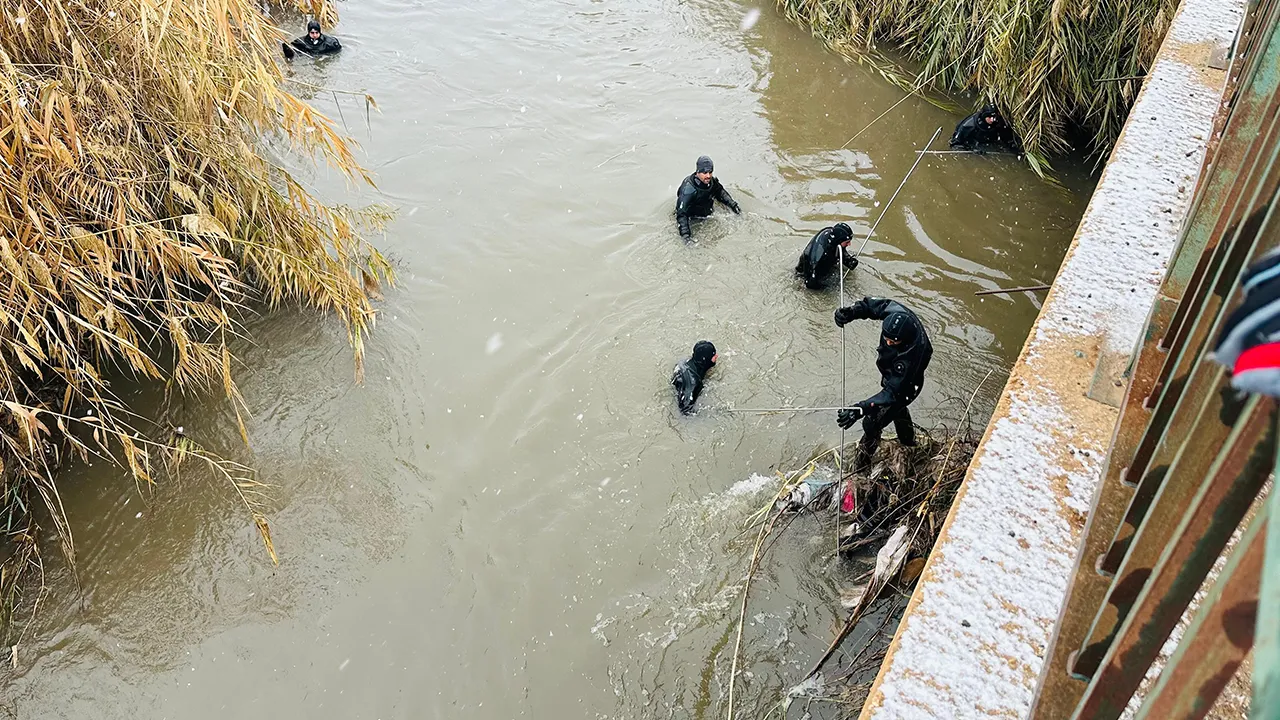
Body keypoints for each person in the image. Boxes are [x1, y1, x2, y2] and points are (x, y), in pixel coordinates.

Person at [833, 298, 932, 470]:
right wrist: (851, 312)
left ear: (905, 339)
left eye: (893, 342)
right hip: (892, 376)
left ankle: (861, 468)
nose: (888, 343)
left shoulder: (912, 355)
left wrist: (860, 409)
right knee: (898, 411)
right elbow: (873, 307)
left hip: (907, 386)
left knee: (872, 422)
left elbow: (892, 393)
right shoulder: (896, 313)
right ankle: (908, 443)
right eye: (886, 338)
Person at [675, 156, 741, 242]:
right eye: (705, 172)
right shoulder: (688, 190)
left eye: (710, 172)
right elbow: (681, 214)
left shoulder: (711, 182)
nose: (708, 176)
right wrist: (686, 236)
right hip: (693, 219)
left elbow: (720, 192)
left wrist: (733, 205)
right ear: (698, 172)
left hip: (709, 215)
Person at [796, 222, 859, 289]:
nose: (849, 244)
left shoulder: (833, 236)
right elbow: (810, 283)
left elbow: (839, 249)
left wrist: (847, 260)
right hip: (808, 274)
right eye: (847, 242)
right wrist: (830, 288)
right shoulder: (819, 257)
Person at [672, 341, 718, 414]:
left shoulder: (684, 361)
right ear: (705, 359)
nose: (716, 356)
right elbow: (685, 410)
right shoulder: (694, 383)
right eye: (713, 355)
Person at [949, 105, 1019, 153]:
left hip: (989, 143)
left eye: (994, 117)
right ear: (983, 116)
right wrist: (972, 150)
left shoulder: (997, 122)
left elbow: (1006, 137)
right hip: (973, 145)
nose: (992, 120)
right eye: (989, 118)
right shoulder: (967, 126)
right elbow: (955, 144)